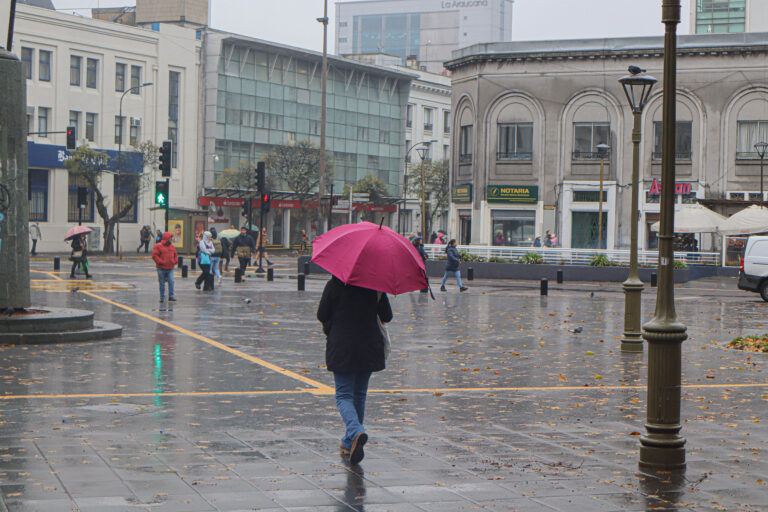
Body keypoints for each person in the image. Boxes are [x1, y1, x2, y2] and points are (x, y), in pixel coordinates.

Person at [316, 276, 393, 465]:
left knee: (343, 395)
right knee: (359, 394)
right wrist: (380, 294)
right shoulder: (374, 283)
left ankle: (355, 431)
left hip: (343, 346)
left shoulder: (335, 284)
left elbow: (322, 314)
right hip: (368, 347)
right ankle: (350, 441)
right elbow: (387, 316)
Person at [152, 231, 178, 302]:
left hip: (170, 268)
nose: (171, 240)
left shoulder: (172, 247)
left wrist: (175, 261)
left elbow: (175, 255)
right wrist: (161, 262)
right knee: (162, 283)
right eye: (170, 238)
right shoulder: (158, 246)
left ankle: (171, 296)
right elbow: (154, 255)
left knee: (171, 281)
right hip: (161, 268)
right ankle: (162, 297)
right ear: (167, 238)